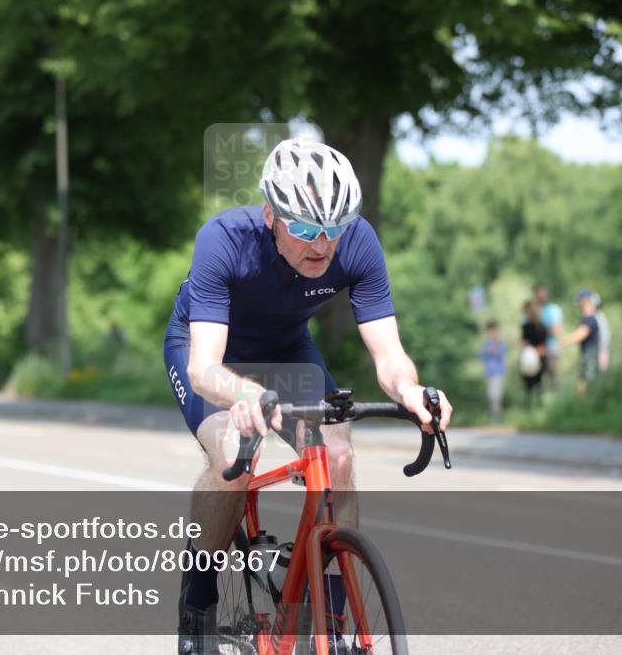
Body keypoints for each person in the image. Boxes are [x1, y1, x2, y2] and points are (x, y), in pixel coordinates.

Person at [163, 139, 453, 654]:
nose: (321, 245)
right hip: (211, 355)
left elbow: (388, 354)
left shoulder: (359, 242)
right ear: (271, 213)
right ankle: (199, 602)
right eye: (303, 229)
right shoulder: (224, 239)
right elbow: (204, 366)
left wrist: (411, 390)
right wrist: (246, 396)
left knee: (337, 456)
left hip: (288, 351)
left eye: (333, 229)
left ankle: (329, 624)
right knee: (232, 457)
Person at [560, 290, 600, 396]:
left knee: (587, 382)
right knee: (583, 381)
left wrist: (561, 343)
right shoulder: (587, 319)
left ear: (586, 301)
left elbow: (580, 334)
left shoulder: (591, 319)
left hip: (590, 355)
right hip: (586, 354)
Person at [533, 284, 563, 388]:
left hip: (551, 348)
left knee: (554, 377)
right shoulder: (532, 311)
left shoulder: (554, 310)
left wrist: (539, 333)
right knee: (537, 380)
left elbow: (555, 330)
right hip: (536, 350)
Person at [478, 321, 507, 423]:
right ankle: (495, 416)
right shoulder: (487, 344)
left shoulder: (501, 343)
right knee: (491, 396)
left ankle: (497, 418)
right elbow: (481, 356)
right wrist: (487, 350)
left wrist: (494, 349)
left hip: (498, 373)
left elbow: (500, 354)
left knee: (496, 396)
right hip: (488, 373)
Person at [520, 300, 547, 404]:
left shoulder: (526, 326)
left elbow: (524, 342)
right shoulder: (542, 326)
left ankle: (531, 405)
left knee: (529, 384)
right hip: (538, 355)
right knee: (539, 382)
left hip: (531, 356)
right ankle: (539, 404)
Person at [592, 292, 611, 372]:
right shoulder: (599, 316)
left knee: (600, 372)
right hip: (600, 348)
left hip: (600, 348)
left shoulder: (597, 317)